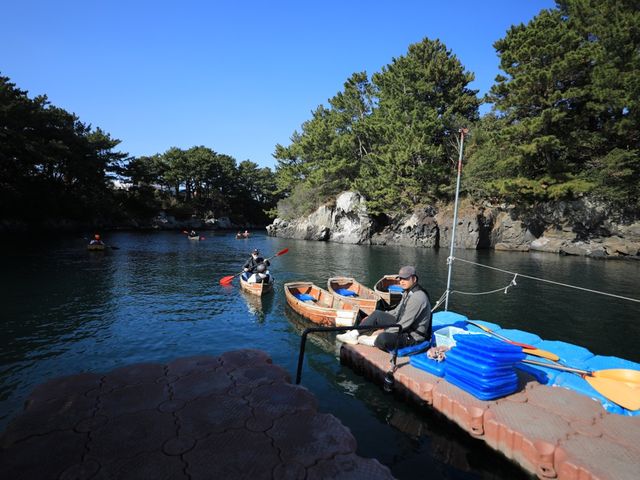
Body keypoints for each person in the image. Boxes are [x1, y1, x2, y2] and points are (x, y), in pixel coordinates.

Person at [336, 266, 432, 351]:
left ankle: (373, 341)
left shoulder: (418, 297)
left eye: (406, 278)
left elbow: (404, 325)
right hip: (403, 325)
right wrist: (377, 319)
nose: (402, 281)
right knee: (377, 314)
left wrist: (383, 331)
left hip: (412, 336)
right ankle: (353, 334)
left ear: (414, 279)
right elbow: (396, 312)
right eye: (400, 278)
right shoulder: (407, 292)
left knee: (383, 338)